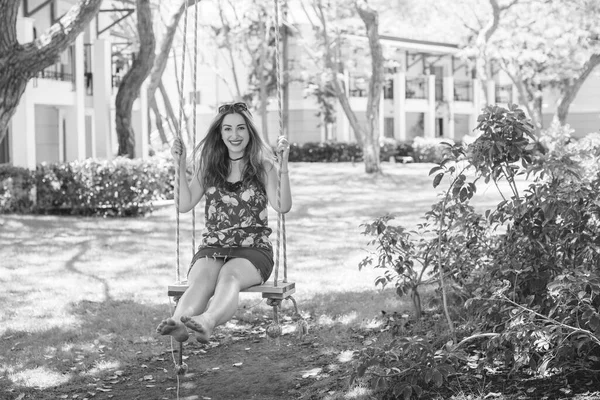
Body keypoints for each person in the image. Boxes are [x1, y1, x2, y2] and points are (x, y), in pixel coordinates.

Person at [156, 102, 292, 344]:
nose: (234, 135)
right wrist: (180, 163)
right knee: (201, 280)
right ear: (220, 133)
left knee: (229, 276)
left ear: (250, 132)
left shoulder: (264, 167)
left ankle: (207, 321)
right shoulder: (209, 167)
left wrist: (283, 169)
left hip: (253, 250)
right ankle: (179, 322)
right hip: (213, 246)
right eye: (228, 129)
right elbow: (183, 205)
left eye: (241, 128)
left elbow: (282, 206)